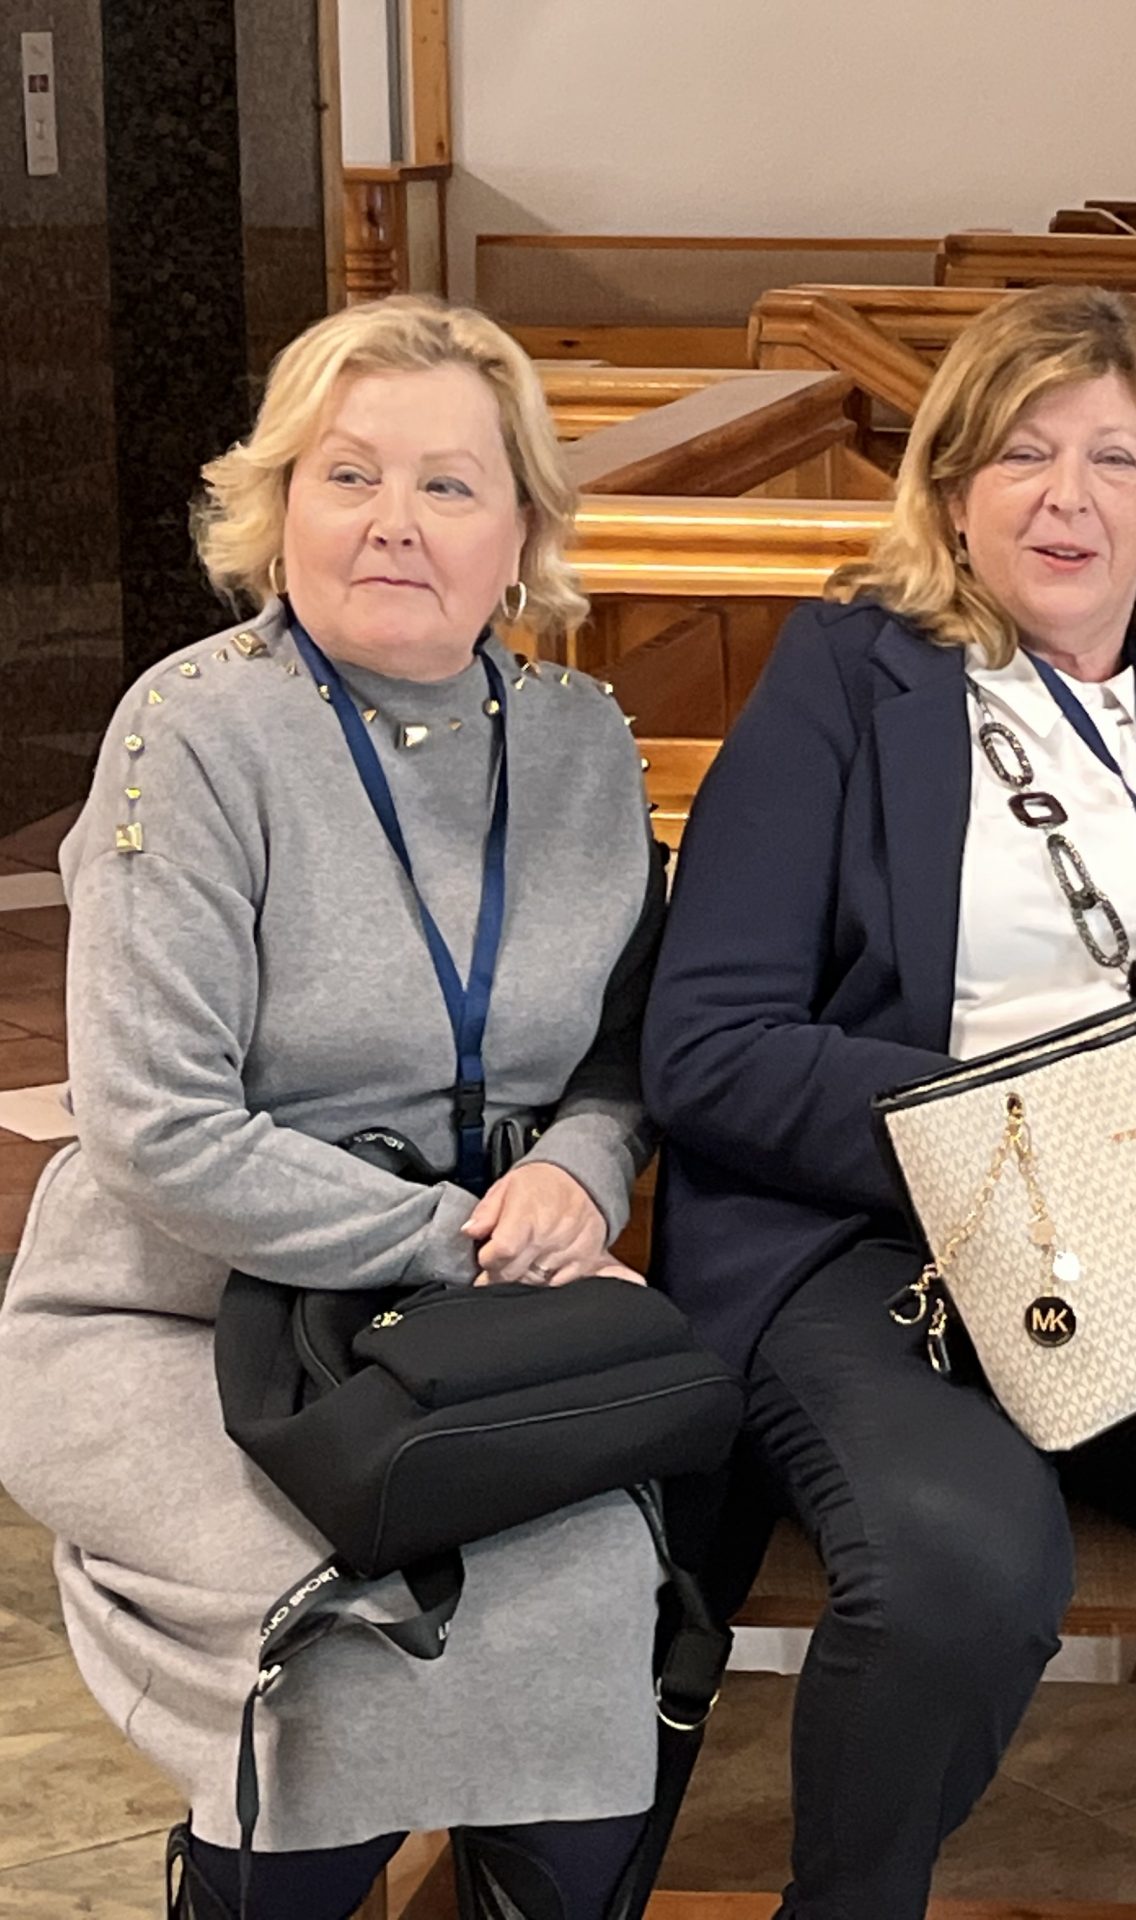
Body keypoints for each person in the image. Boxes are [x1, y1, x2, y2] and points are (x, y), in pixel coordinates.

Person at [641, 284, 1136, 1920]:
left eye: (1113, 459)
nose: (1066, 497)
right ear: (951, 493)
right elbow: (710, 1045)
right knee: (960, 1562)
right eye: (1021, 453)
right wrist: (1020, 1136)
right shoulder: (844, 680)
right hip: (893, 1244)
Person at [0, 296, 667, 1919]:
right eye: (347, 473)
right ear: (277, 502)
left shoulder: (580, 739)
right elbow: (156, 1129)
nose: (392, 521)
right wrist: (463, 1237)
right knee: (358, 1643)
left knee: (593, 1615)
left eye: (448, 483)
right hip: (180, 1316)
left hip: (466, 1331)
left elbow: (625, 1047)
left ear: (521, 530)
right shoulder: (195, 728)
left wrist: (583, 1172)